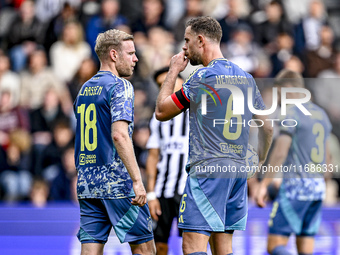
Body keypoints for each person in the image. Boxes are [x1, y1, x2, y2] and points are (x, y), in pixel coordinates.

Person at [155, 16, 273, 255]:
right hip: (237, 172)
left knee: (192, 246)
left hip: (207, 171)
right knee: (223, 248)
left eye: (187, 41)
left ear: (200, 40)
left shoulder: (201, 77)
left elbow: (161, 111)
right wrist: (258, 161)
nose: (184, 47)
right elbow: (267, 127)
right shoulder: (246, 78)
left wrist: (174, 70)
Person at [74, 29, 155, 255]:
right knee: (145, 248)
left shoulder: (84, 90)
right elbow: (119, 134)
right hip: (117, 183)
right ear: (113, 54)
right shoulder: (120, 86)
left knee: (90, 250)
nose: (136, 58)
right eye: (130, 53)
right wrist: (137, 180)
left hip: (87, 184)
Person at [255, 69, 332, 255]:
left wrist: (264, 183)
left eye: (279, 93)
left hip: (296, 187)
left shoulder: (291, 113)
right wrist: (323, 183)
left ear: (287, 89)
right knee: (305, 246)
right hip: (317, 187)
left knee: (274, 245)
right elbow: (328, 158)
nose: (279, 99)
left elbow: (281, 152)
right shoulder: (321, 114)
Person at [146, 67, 189, 255]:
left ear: (183, 83)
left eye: (171, 82)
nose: (167, 87)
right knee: (158, 243)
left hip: (189, 191)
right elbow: (153, 156)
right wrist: (151, 194)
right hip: (163, 190)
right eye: (161, 85)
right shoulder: (158, 118)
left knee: (191, 243)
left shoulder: (199, 112)